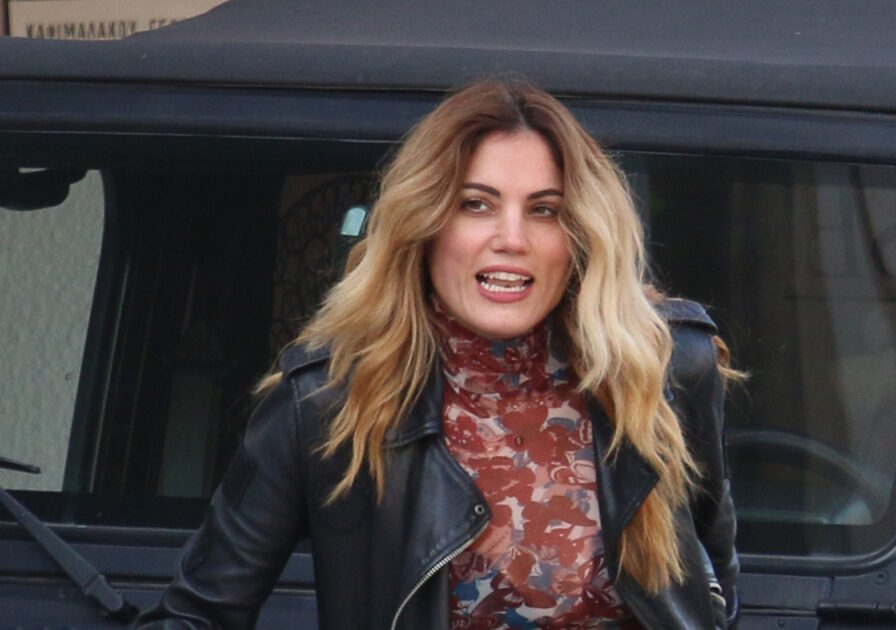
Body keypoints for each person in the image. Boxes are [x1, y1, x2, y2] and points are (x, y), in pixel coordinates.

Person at [138, 79, 739, 629]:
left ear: (579, 233)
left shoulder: (663, 368)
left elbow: (715, 587)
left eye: (544, 210)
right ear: (424, 223)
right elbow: (197, 616)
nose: (511, 239)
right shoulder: (328, 403)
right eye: (476, 203)